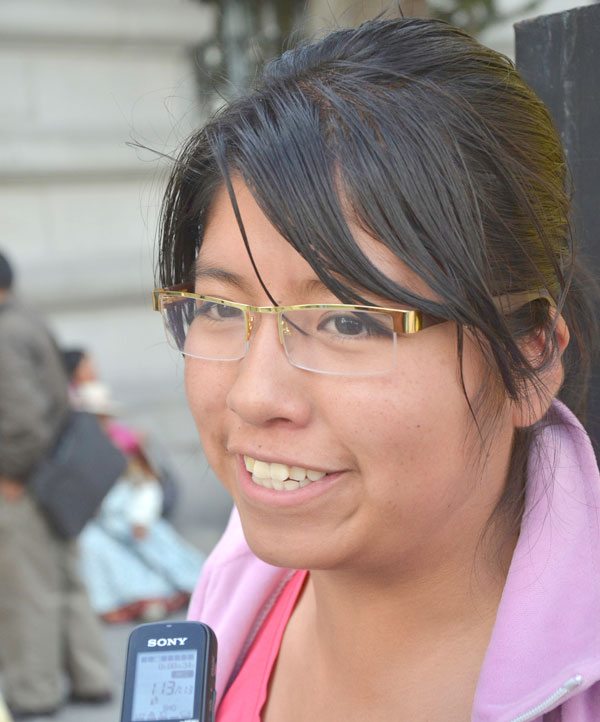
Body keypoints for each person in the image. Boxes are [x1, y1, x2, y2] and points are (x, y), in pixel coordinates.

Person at [152, 17, 600, 722]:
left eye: (347, 321)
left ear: (529, 357)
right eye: (218, 307)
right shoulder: (233, 591)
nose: (253, 396)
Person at [0, 252, 113, 719]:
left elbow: (21, 421)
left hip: (24, 479)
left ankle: (34, 691)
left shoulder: (5, 333)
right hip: (54, 473)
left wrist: (11, 473)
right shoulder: (24, 316)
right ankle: (91, 677)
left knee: (26, 590)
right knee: (64, 580)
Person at [72, 380, 205, 623]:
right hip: (102, 521)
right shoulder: (76, 451)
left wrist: (140, 516)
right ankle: (124, 600)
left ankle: (171, 589)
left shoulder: (123, 446)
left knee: (152, 544)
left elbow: (146, 483)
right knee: (95, 546)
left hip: (130, 513)